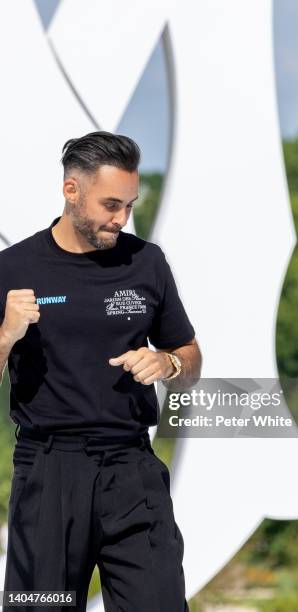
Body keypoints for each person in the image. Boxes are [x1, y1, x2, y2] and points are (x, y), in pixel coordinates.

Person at [0, 131, 201, 611]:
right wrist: (7, 334)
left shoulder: (146, 262)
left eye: (129, 205)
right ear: (71, 190)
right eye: (111, 204)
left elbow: (190, 357)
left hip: (132, 471)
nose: (121, 218)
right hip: (49, 474)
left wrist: (168, 362)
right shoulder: (13, 268)